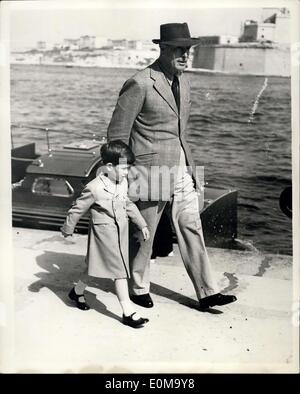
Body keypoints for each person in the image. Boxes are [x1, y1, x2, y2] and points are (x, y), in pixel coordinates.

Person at [107, 23, 237, 310]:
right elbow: (117, 134)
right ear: (163, 49)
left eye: (187, 50)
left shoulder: (184, 81)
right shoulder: (140, 82)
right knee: (145, 233)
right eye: (178, 49)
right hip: (149, 170)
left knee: (192, 225)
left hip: (182, 168)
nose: (185, 56)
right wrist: (124, 174)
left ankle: (208, 292)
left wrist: (191, 167)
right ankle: (139, 287)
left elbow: (180, 132)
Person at [61, 140, 151, 328]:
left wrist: (141, 223)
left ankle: (76, 292)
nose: (127, 172)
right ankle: (128, 312)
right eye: (124, 168)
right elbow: (77, 208)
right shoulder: (94, 187)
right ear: (109, 166)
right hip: (103, 235)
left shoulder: (123, 182)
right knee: (120, 272)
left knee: (93, 266)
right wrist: (68, 228)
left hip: (120, 233)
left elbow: (127, 204)